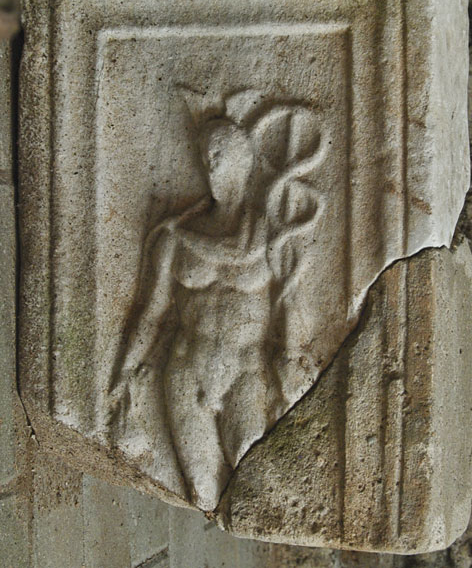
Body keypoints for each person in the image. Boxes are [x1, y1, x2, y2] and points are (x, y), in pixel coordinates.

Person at [106, 90, 326, 510]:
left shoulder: (267, 231)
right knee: (203, 489)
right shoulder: (175, 237)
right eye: (207, 156)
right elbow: (151, 313)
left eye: (220, 154)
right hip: (186, 368)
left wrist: (294, 354)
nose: (212, 164)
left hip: (245, 370)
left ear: (243, 160)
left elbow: (288, 299)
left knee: (250, 471)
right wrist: (124, 370)